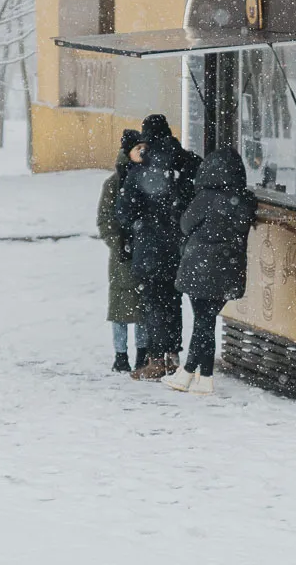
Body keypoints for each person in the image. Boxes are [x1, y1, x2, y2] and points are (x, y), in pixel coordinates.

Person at [163, 146, 256, 395]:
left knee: (203, 323)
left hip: (200, 269)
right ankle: (204, 377)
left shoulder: (206, 197)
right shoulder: (245, 200)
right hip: (229, 271)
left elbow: (185, 225)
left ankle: (188, 372)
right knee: (206, 321)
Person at [117, 114, 201, 380]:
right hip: (180, 246)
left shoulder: (140, 170)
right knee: (174, 302)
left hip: (149, 247)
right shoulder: (187, 163)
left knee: (154, 304)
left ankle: (156, 360)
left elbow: (124, 213)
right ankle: (174, 357)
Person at [96, 129, 147, 372]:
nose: (143, 152)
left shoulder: (148, 177)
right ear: (128, 151)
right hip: (122, 255)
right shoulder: (113, 183)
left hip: (145, 251)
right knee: (120, 306)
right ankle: (120, 355)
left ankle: (143, 353)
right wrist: (119, 244)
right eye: (138, 148)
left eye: (144, 148)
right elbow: (105, 220)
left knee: (143, 306)